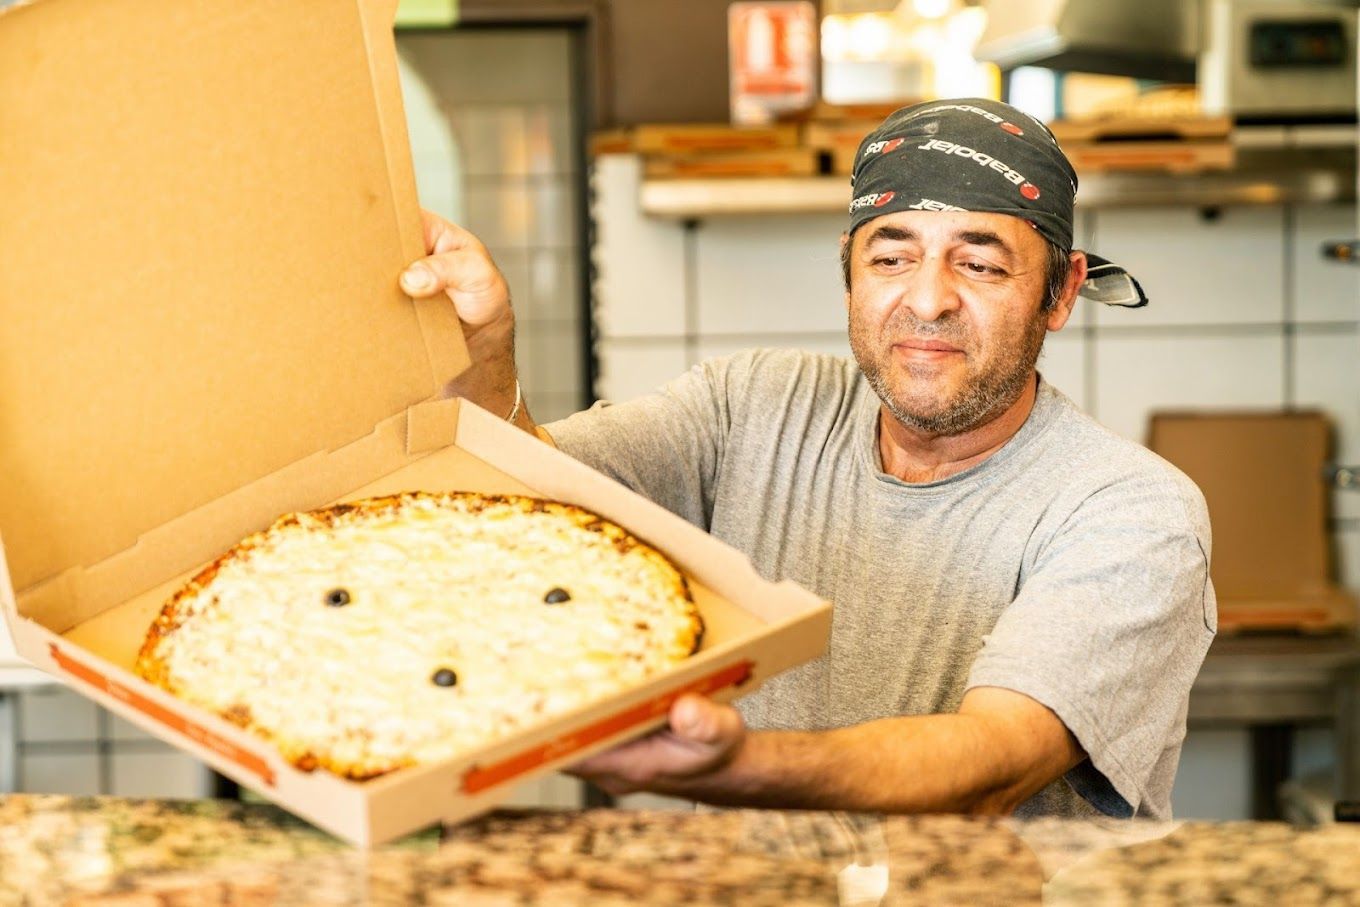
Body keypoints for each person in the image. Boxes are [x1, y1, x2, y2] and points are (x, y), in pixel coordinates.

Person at [397, 98, 1216, 819]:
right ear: (849, 273)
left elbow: (991, 763)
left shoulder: (1129, 508)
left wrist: (739, 765)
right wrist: (483, 356)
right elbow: (521, 512)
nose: (927, 300)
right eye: (891, 257)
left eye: (981, 263)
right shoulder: (757, 405)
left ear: (1062, 291)